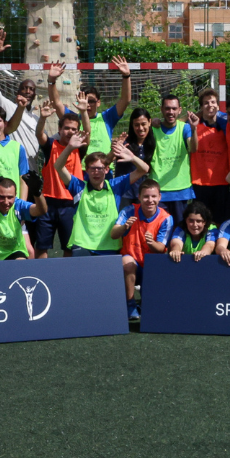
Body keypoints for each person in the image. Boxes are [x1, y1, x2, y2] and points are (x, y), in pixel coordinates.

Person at [53, 131, 147, 263]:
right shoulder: (78, 187)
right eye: (92, 168)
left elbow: (144, 169)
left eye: (100, 168)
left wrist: (132, 157)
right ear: (87, 169)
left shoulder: (116, 186)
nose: (96, 172)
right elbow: (58, 166)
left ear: (107, 170)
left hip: (109, 246)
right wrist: (69, 147)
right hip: (82, 245)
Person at [112, 179, 173, 321]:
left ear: (159, 197)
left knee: (151, 309)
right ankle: (130, 303)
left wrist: (151, 243)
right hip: (133, 263)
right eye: (146, 196)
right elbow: (113, 234)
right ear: (139, 197)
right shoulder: (129, 210)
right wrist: (124, 227)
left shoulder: (166, 218)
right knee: (127, 262)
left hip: (152, 266)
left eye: (153, 196)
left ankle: (146, 302)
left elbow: (160, 248)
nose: (150, 200)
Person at [0, 27, 47, 157]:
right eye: (24, 88)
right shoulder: (7, 106)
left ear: (34, 95)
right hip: (9, 162)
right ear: (17, 92)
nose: (28, 91)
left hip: (31, 166)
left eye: (31, 89)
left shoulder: (35, 118)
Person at [31, 101, 84, 257]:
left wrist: (85, 112)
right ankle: (43, 275)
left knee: (69, 247)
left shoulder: (80, 149)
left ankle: (66, 278)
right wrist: (42, 118)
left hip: (70, 204)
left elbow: (87, 130)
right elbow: (39, 134)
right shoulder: (50, 146)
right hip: (47, 203)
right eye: (66, 128)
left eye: (74, 129)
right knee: (41, 246)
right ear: (59, 130)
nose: (69, 131)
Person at [0, 175, 47, 261]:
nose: (6, 202)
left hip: (14, 253)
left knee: (20, 261)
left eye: (10, 197)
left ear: (15, 195)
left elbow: (41, 210)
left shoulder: (19, 205)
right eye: (1, 197)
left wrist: (37, 194)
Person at [149, 94, 198, 224]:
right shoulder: (153, 129)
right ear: (161, 109)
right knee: (159, 232)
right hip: (158, 191)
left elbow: (193, 148)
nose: (170, 112)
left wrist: (194, 130)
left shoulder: (185, 128)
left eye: (174, 109)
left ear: (179, 110)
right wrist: (151, 121)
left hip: (180, 191)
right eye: (167, 108)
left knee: (179, 233)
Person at [189, 86, 230, 227]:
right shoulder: (193, 126)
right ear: (201, 107)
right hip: (199, 182)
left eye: (213, 102)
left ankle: (218, 248)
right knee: (199, 221)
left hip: (221, 182)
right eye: (206, 103)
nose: (210, 105)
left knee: (219, 221)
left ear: (218, 105)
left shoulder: (227, 126)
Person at [76, 55, 132, 155]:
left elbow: (125, 100)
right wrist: (52, 81)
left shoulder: (107, 117)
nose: (88, 104)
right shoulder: (74, 121)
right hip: (81, 169)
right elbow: (57, 104)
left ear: (98, 103)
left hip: (104, 168)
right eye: (84, 100)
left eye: (91, 101)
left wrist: (126, 76)